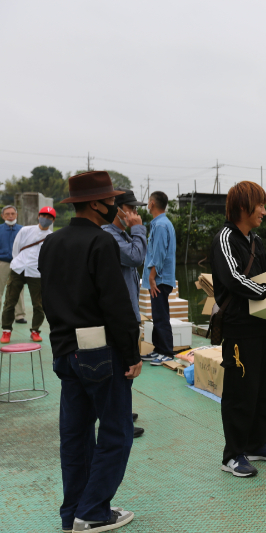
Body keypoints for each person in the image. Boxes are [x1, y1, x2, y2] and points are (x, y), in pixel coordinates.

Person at [39, 171, 141, 533]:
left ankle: (72, 514)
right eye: (111, 199)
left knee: (75, 435)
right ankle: (94, 511)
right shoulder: (101, 242)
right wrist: (132, 353)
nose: (116, 205)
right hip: (100, 351)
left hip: (65, 350)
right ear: (96, 204)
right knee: (116, 432)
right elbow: (115, 304)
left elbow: (47, 299)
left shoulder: (51, 243)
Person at [209, 181, 266, 478]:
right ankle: (233, 455)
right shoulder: (225, 238)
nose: (263, 211)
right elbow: (233, 278)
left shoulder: (254, 240)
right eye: (259, 205)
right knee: (240, 392)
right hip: (238, 329)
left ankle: (256, 443)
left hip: (261, 325)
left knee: (265, 389)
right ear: (242, 207)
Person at [103, 188, 148, 440]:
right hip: (120, 316)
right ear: (117, 209)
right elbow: (135, 257)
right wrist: (138, 229)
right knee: (123, 370)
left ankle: (122, 412)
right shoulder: (109, 236)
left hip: (128, 313)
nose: (135, 213)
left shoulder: (121, 234)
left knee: (125, 372)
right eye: (130, 208)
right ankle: (119, 422)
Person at [1, 206, 56, 343]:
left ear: (53, 220)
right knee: (10, 302)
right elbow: (16, 248)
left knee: (39, 305)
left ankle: (35, 331)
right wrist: (17, 262)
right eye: (43, 216)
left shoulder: (51, 237)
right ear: (38, 216)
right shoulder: (25, 230)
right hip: (18, 269)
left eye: (49, 217)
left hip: (36, 272)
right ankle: (6, 330)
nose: (45, 219)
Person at [140, 191, 176, 366]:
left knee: (161, 316)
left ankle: (166, 352)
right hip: (159, 278)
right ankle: (158, 349)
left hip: (159, 279)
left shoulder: (161, 225)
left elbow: (159, 254)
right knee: (157, 314)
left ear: (152, 203)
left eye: (148, 201)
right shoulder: (161, 223)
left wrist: (152, 277)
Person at [0, 205, 26, 324]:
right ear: (2, 216)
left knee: (18, 289)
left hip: (18, 264)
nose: (10, 216)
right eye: (7, 214)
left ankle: (19, 315)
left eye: (12, 213)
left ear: (16, 215)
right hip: (2, 263)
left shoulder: (23, 230)